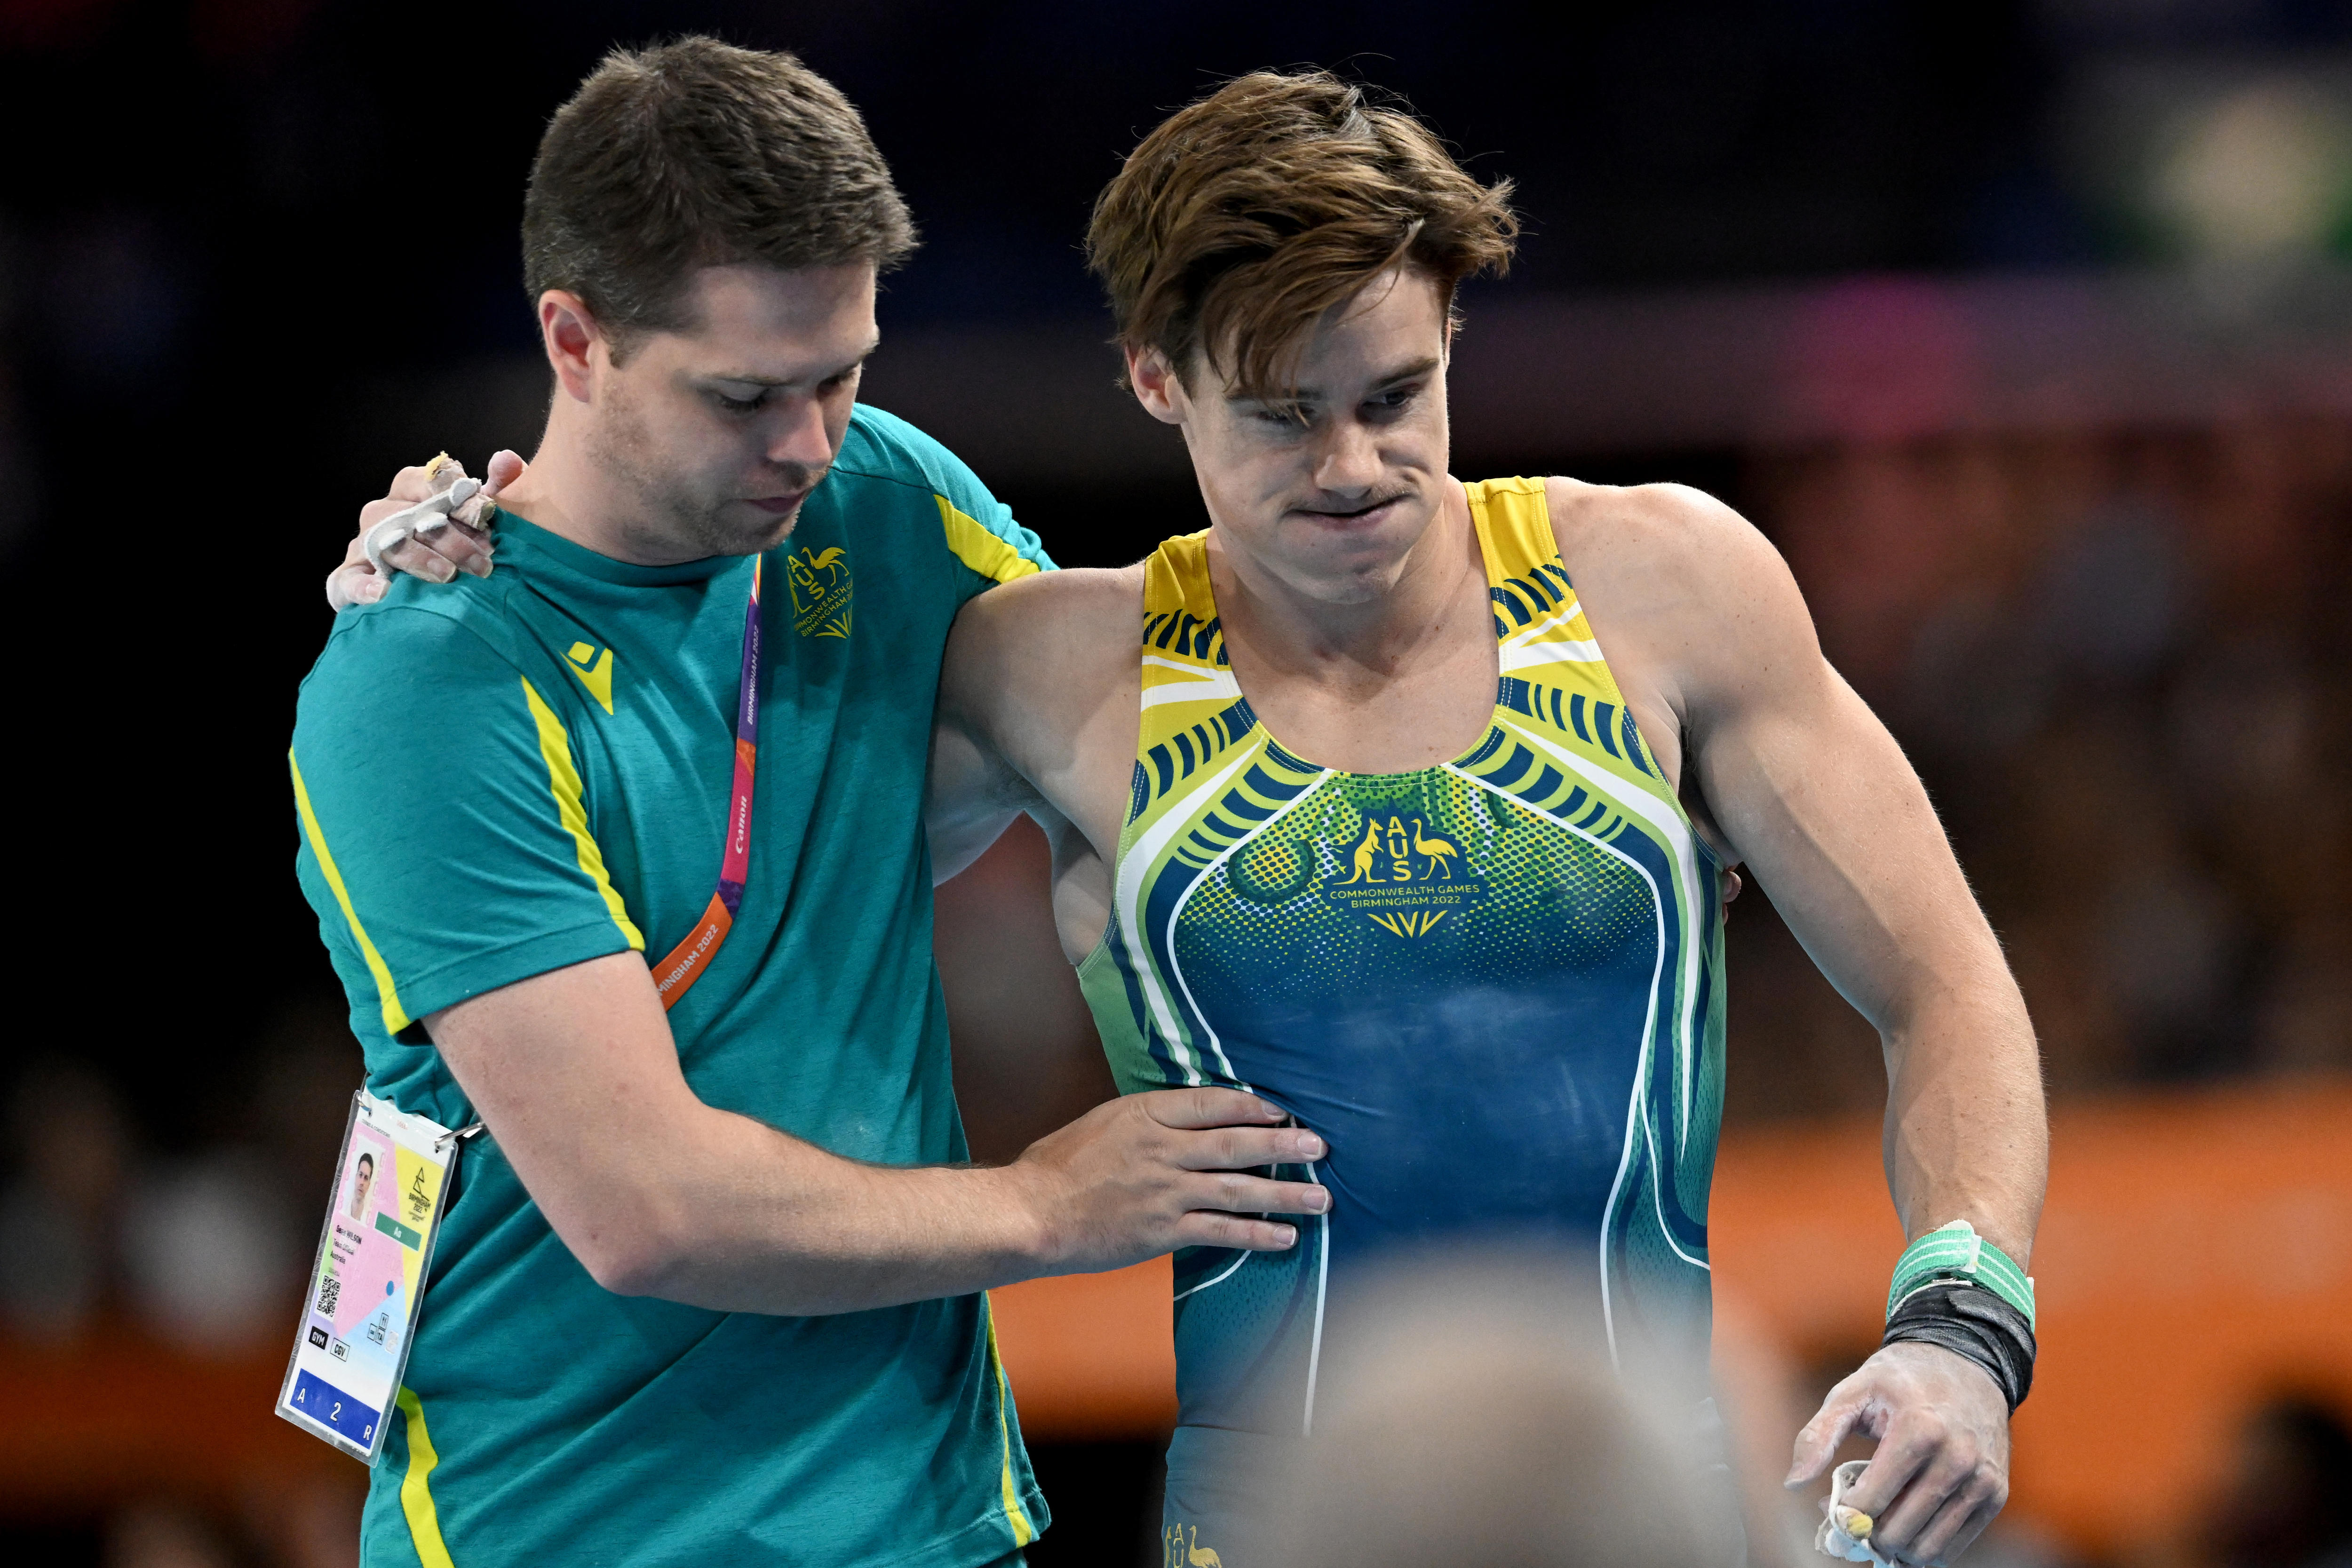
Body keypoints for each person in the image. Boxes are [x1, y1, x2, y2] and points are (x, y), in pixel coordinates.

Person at [347, 68, 2048, 1568]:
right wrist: (463, 574)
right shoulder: (1039, 671)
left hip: (1611, 1491)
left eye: (1392, 395)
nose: (1353, 468)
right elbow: (677, 1015)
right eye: (1281, 416)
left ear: (1455, 329)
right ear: (1154, 383)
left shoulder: (1666, 590)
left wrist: (1960, 1328)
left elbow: (1942, 978)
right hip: (1226, 1523)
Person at [290, 40, 1327, 1568]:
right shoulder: (423, 682)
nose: (809, 442)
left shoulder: (886, 499)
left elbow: (1163, 755)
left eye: (844, 371)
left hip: (933, 1520)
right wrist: (1048, 1208)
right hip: (574, 1531)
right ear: (574, 342)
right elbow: (645, 1205)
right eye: (746, 394)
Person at [345, 1151, 373, 1222]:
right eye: (360, 1175)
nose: (362, 1183)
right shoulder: (342, 1209)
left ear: (369, 1185)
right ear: (356, 1177)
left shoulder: (368, 1221)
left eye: (366, 1178)